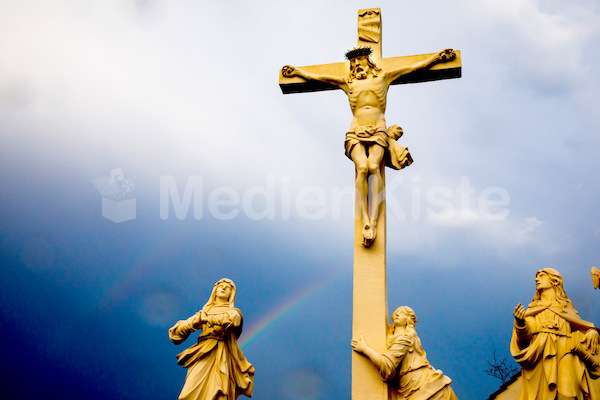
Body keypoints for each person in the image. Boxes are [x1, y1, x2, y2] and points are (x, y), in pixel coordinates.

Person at [281, 47, 455, 246]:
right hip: (355, 131)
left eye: (360, 62)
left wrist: (436, 59)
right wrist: (297, 73)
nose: (356, 66)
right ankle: (365, 220)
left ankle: (373, 220)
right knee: (362, 168)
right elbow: (319, 78)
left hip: (378, 130)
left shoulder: (384, 77)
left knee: (373, 167)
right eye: (354, 63)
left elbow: (414, 68)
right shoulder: (348, 82)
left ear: (369, 62)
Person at [511, 268, 600, 400]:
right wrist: (520, 323)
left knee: (568, 395)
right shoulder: (533, 309)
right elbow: (526, 336)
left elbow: (581, 326)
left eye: (541, 275)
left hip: (566, 352)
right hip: (540, 357)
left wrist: (592, 332)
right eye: (537, 277)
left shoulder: (566, 309)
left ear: (555, 280)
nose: (537, 279)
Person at [169, 278, 254, 400]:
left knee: (217, 392)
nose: (224, 288)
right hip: (202, 354)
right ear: (215, 290)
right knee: (187, 395)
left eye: (228, 287)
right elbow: (175, 333)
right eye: (221, 286)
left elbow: (232, 321)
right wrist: (196, 321)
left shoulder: (234, 312)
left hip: (221, 356)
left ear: (232, 293)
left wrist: (207, 319)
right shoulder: (203, 313)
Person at [351, 306, 458, 400]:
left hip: (423, 386)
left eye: (402, 313)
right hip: (409, 388)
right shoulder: (394, 337)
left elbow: (387, 365)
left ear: (408, 319)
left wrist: (365, 349)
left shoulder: (406, 337)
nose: (397, 314)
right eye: (396, 312)